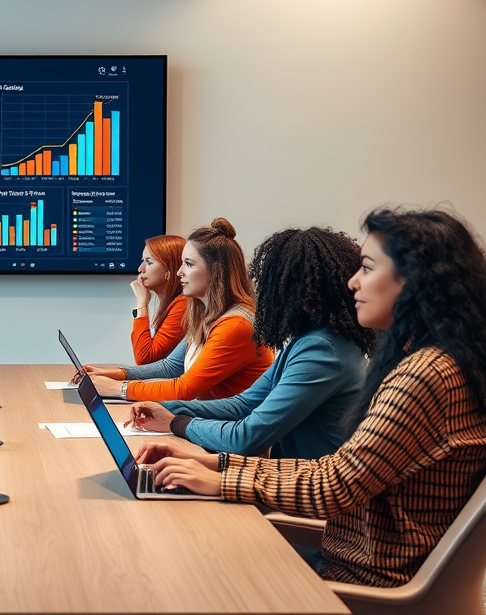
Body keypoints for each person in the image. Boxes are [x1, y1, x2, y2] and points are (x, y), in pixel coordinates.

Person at [140, 208, 486, 588]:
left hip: (360, 577)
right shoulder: (426, 359)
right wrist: (215, 464)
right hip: (347, 552)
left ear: (417, 281)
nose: (353, 282)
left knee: (183, 562)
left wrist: (219, 474)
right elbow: (334, 468)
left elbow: (334, 482)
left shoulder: (424, 374)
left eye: (367, 268)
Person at [127, 227, 374, 459]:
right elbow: (243, 404)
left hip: (300, 489)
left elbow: (246, 437)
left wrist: (176, 422)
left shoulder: (322, 351)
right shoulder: (308, 339)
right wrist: (164, 407)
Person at [90, 218, 273, 402]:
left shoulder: (236, 325)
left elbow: (184, 389)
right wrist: (111, 375)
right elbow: (170, 367)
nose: (179, 273)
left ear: (217, 272)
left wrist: (117, 388)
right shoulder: (204, 313)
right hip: (210, 419)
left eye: (189, 264)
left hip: (228, 425)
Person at [76, 235, 187, 383]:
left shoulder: (183, 305)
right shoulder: (172, 304)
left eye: (149, 262)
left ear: (169, 270)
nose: (140, 269)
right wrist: (107, 373)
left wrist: (142, 302)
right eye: (143, 261)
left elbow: (144, 357)